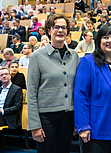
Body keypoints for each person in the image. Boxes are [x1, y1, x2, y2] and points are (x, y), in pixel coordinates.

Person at [74, 24, 111, 153]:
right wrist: (83, 125)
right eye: (105, 37)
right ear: (98, 41)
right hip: (97, 129)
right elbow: (80, 95)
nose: (110, 41)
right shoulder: (88, 62)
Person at [27, 14, 79, 153]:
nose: (60, 30)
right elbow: (31, 93)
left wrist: (77, 119)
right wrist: (34, 125)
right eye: (56, 27)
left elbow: (78, 89)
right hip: (46, 117)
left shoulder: (75, 56)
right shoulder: (37, 56)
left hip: (68, 115)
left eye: (63, 27)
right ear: (49, 30)